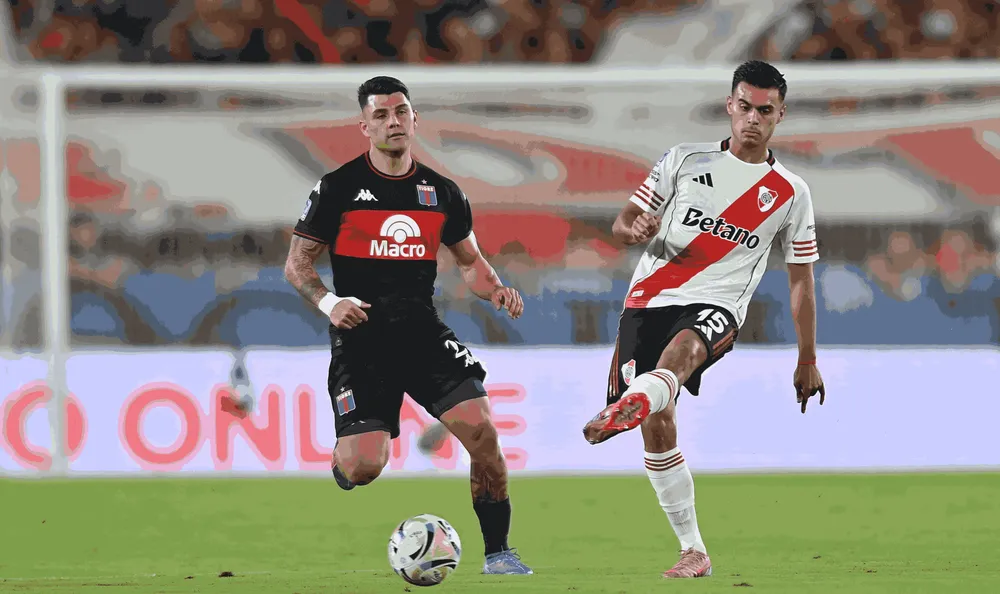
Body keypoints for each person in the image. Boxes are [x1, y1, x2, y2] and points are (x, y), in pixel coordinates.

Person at [581, 60, 827, 579]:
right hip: (646, 302)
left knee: (684, 353)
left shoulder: (790, 192)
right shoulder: (681, 160)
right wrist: (636, 227)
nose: (753, 119)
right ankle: (693, 550)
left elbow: (801, 279)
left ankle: (641, 395)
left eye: (765, 110)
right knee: (658, 425)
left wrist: (807, 357)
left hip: (718, 305)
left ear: (780, 115)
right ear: (730, 106)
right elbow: (623, 222)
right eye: (745, 107)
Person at [282, 76, 533, 576]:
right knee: (364, 466)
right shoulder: (336, 188)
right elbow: (297, 266)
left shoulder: (441, 193)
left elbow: (470, 262)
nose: (393, 121)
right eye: (381, 115)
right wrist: (330, 302)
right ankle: (344, 463)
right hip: (361, 340)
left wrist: (496, 288)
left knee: (482, 432)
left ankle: (499, 552)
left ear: (415, 119)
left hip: (422, 333)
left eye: (401, 112)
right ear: (364, 126)